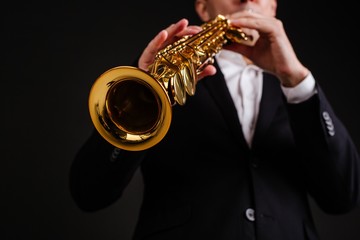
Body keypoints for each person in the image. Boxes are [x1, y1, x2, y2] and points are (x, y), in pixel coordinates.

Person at [70, 0, 360, 239]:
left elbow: (342, 197)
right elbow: (89, 192)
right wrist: (146, 90)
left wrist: (297, 81)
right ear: (203, 9)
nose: (247, 0)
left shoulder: (296, 86)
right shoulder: (160, 73)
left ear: (273, 7)